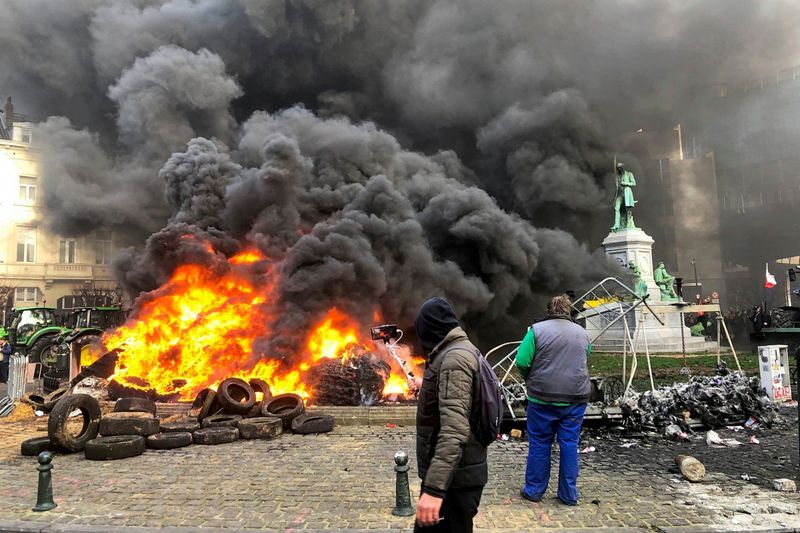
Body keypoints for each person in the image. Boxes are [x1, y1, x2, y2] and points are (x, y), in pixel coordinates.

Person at [413, 297, 487, 532]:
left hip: (454, 483)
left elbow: (455, 430)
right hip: (456, 477)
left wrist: (434, 491)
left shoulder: (453, 360)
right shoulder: (460, 351)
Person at [516, 294, 591, 506]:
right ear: (569, 311)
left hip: (542, 399)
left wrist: (530, 378)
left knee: (540, 443)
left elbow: (521, 360)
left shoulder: (536, 331)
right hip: (575, 399)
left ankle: (534, 490)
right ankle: (568, 494)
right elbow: (586, 355)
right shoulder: (583, 333)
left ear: (549, 310)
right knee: (569, 444)